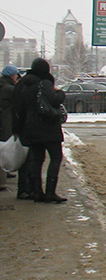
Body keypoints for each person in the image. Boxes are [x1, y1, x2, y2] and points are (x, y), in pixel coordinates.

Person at [11, 58, 67, 203]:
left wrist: (18, 129)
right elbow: (54, 99)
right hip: (48, 127)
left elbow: (19, 108)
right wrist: (60, 93)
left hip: (30, 128)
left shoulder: (24, 84)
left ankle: (37, 192)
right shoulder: (44, 83)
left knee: (37, 161)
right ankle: (50, 192)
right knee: (55, 158)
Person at [0, 64, 22, 192]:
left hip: (3, 121)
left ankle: (5, 172)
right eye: (16, 75)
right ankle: (2, 178)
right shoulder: (9, 88)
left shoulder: (3, 85)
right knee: (4, 148)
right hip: (6, 122)